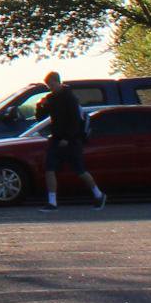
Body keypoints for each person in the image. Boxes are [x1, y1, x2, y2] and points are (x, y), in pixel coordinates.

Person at [34, 72, 106, 211]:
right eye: (48, 85)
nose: (50, 88)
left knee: (80, 170)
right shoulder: (51, 98)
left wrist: (67, 138)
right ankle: (52, 202)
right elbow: (40, 117)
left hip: (72, 141)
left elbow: (75, 121)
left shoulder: (70, 97)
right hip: (55, 139)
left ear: (58, 82)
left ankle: (99, 195)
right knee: (50, 169)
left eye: (52, 84)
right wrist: (41, 105)